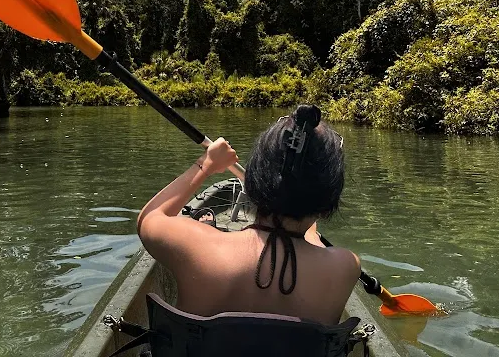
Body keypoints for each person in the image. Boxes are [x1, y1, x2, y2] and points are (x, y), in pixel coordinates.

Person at [136, 104, 360, 326]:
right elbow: (308, 245)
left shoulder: (200, 248)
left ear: (253, 181)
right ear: (327, 201)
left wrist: (207, 164)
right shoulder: (345, 267)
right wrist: (307, 230)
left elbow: (149, 218)